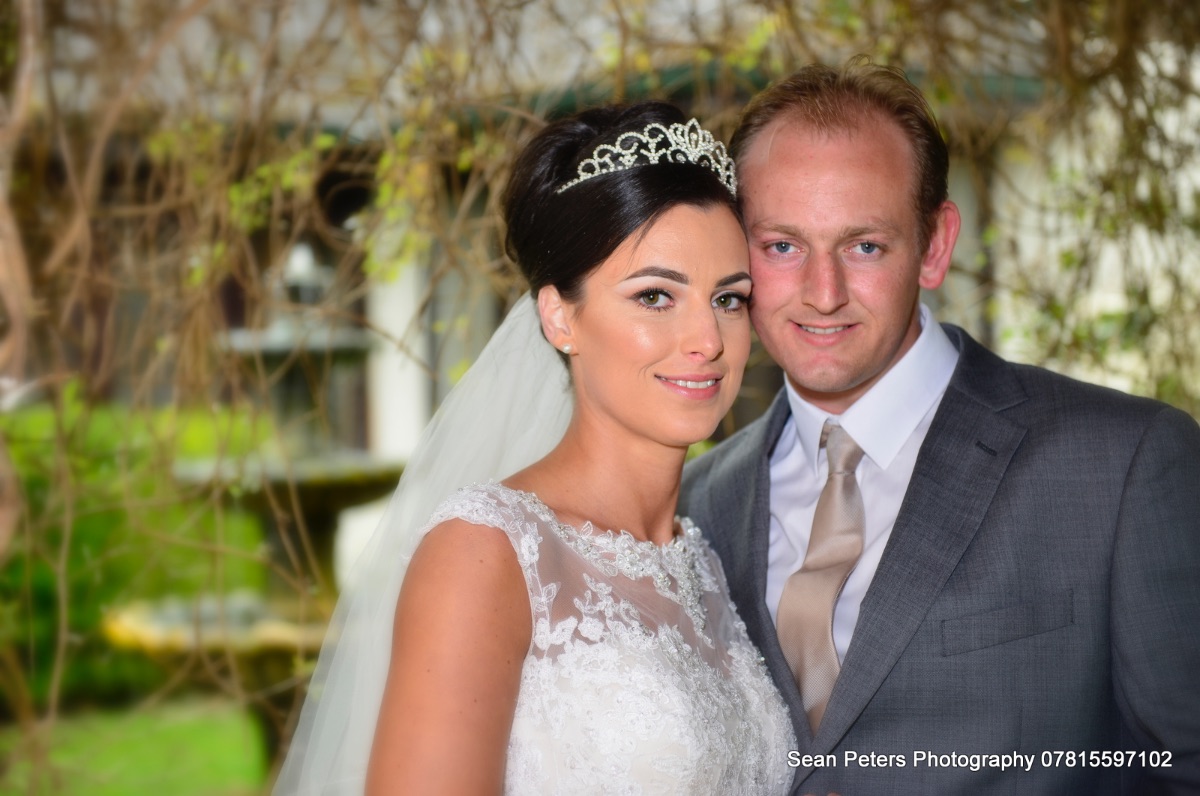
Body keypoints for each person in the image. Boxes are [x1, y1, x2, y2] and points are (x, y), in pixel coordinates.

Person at [679, 57, 1200, 795]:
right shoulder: (694, 506)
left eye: (865, 246)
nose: (823, 293)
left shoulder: (1122, 466)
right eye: (782, 246)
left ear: (934, 245)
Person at [273, 101, 796, 795]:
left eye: (729, 299)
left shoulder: (700, 560)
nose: (707, 340)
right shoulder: (487, 553)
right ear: (559, 317)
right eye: (655, 297)